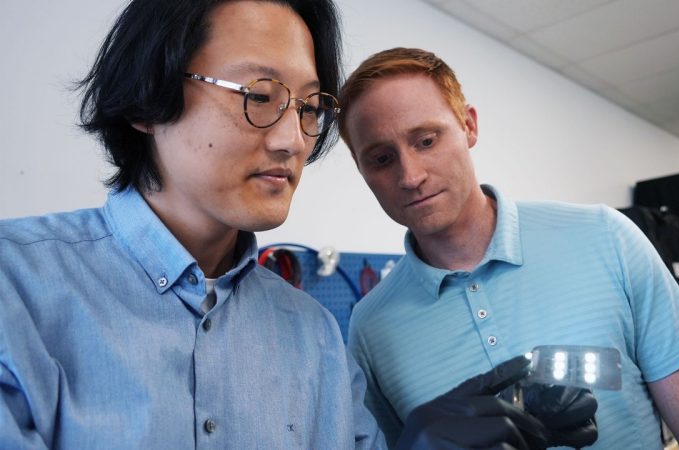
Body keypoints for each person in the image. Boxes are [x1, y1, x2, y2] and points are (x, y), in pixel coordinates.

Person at [0, 2, 594, 449]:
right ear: (145, 102)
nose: (292, 142)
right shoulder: (17, 290)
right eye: (259, 95)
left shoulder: (312, 334)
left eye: (309, 109)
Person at [338, 47, 679, 449]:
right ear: (361, 170)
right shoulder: (370, 328)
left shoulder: (607, 237)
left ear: (469, 126)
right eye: (381, 158)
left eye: (426, 140)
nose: (410, 176)